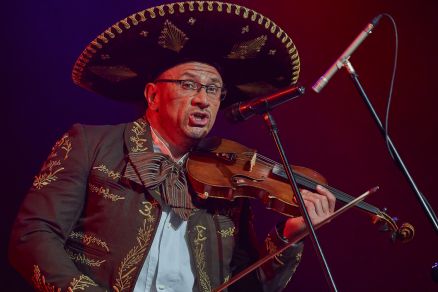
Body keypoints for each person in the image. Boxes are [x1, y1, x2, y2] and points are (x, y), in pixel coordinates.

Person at [9, 2, 335, 291]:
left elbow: (246, 285)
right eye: (189, 84)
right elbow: (33, 235)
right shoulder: (90, 142)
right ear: (152, 96)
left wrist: (289, 237)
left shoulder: (229, 175)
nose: (203, 100)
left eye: (213, 90)